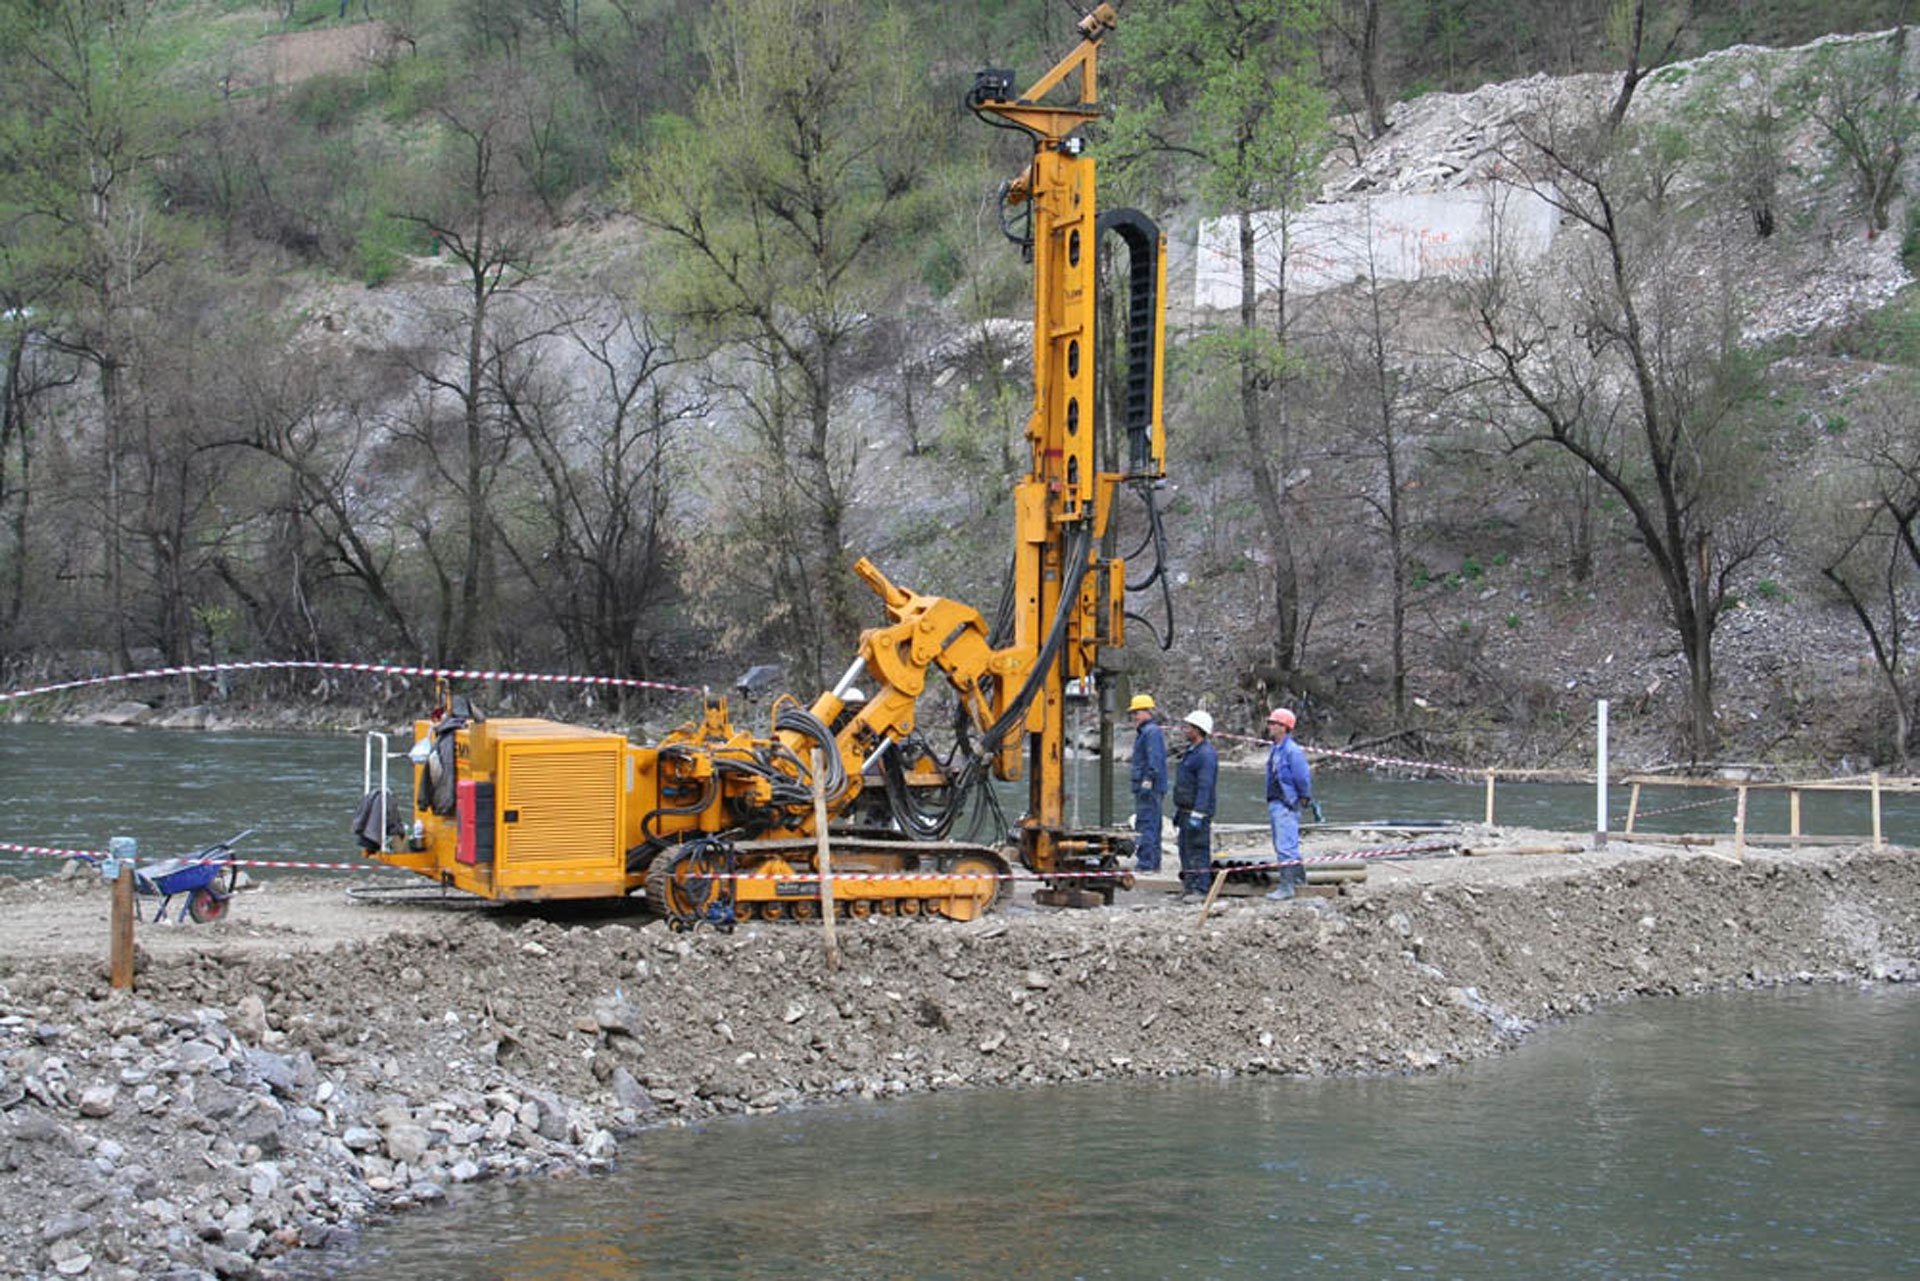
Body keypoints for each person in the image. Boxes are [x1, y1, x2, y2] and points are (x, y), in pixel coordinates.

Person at [1263, 707, 1314, 900]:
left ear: (1284, 727)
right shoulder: (1276, 749)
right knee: (1284, 843)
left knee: (1286, 846)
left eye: (1274, 723)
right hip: (1277, 801)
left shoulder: (1292, 751)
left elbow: (1302, 777)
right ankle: (1299, 881)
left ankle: (1287, 887)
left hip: (1287, 802)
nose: (1270, 726)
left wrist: (1303, 797)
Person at [1171, 709, 1217, 899]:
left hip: (1197, 812)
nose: (1184, 730)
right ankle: (1189, 887)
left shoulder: (1205, 754)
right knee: (1185, 850)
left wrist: (1199, 812)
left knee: (1198, 850)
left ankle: (1201, 889)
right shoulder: (1193, 752)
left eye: (1188, 727)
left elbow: (1205, 785)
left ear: (1198, 730)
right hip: (1185, 810)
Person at [1128, 693, 1168, 873]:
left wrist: (1147, 782)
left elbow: (1154, 761)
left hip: (1149, 788)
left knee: (1146, 824)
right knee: (1152, 823)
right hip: (1150, 787)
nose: (1134, 716)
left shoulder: (1150, 733)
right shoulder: (1148, 732)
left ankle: (1146, 863)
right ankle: (1153, 862)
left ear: (1147, 712)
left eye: (1137, 712)